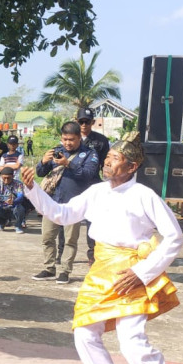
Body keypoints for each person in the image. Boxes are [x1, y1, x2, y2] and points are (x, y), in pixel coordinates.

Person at [19, 133, 183, 364]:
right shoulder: (96, 192)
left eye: (115, 159)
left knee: (131, 339)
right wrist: (33, 189)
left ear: (132, 166)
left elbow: (174, 237)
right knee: (84, 333)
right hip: (100, 270)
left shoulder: (145, 196)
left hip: (131, 273)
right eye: (108, 157)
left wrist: (143, 273)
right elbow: (62, 214)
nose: (108, 162)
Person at [32, 121, 99, 284]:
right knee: (47, 237)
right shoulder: (57, 150)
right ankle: (49, 268)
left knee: (70, 240)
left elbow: (89, 174)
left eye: (71, 140)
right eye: (65, 139)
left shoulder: (90, 154)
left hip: (73, 205)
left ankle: (65, 271)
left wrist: (68, 163)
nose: (67, 143)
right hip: (52, 201)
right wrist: (43, 161)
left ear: (79, 138)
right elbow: (40, 172)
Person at [78, 107, 110, 262]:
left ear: (93, 122)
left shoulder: (101, 140)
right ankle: (61, 253)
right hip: (74, 184)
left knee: (92, 221)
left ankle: (92, 254)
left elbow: (106, 164)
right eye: (81, 121)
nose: (84, 125)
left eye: (87, 121)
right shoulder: (71, 137)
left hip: (92, 184)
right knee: (67, 221)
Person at [0, 167, 27, 233]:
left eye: (8, 178)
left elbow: (21, 197)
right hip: (2, 208)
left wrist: (14, 202)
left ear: (13, 176)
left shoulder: (18, 184)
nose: (6, 180)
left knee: (20, 208)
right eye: (4, 178)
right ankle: (3, 223)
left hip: (14, 208)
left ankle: (18, 225)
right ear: (1, 177)